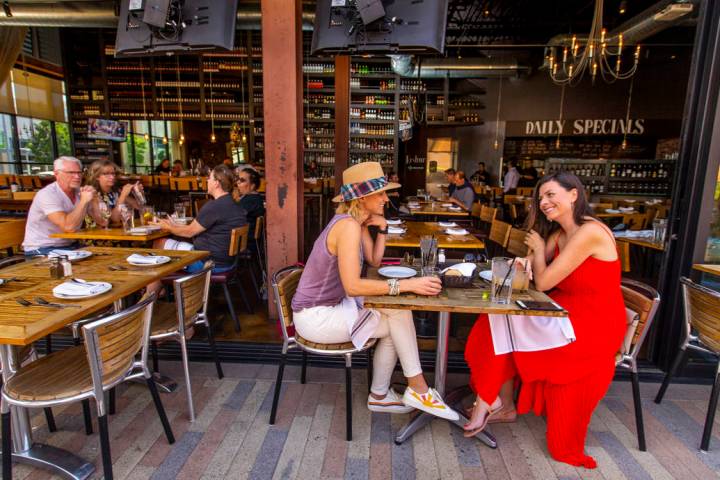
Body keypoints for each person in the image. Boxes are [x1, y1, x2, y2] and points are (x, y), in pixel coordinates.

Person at [463, 171, 625, 468]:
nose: (545, 202)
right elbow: (534, 270)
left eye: (551, 195)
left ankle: (489, 401)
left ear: (574, 194)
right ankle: (497, 402)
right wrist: (529, 257)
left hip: (593, 325)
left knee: (504, 322)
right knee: (497, 318)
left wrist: (536, 251)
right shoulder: (561, 233)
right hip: (566, 312)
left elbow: (545, 281)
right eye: (541, 198)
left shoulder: (589, 232)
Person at [292, 161, 459, 419]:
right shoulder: (346, 226)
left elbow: (374, 261)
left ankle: (396, 393)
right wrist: (409, 285)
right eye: (380, 193)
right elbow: (353, 285)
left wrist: (381, 227)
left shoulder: (353, 223)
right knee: (398, 318)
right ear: (362, 197)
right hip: (317, 317)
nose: (386, 198)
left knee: (397, 314)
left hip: (332, 307)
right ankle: (406, 391)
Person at [152, 164, 247, 274]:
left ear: (216, 183)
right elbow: (193, 228)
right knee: (164, 251)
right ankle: (162, 289)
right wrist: (173, 226)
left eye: (209, 178)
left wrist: (168, 227)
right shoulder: (234, 204)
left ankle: (153, 291)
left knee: (159, 243)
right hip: (227, 262)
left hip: (207, 262)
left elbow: (189, 232)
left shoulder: (214, 206)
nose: (207, 181)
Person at [22, 156, 99, 256]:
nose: (77, 176)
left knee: (107, 258)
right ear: (57, 174)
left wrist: (95, 200)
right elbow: (69, 227)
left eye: (79, 172)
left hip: (70, 245)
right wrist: (83, 202)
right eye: (71, 173)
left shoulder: (80, 192)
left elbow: (103, 222)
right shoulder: (47, 194)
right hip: (42, 248)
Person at [84, 159, 142, 226]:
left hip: (116, 231)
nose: (112, 177)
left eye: (113, 173)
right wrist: (123, 195)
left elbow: (139, 207)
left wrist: (138, 193)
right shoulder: (93, 194)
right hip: (97, 234)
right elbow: (115, 219)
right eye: (106, 174)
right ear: (97, 176)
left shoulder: (114, 191)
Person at [235, 167, 265, 252]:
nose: (238, 182)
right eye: (238, 179)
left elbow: (233, 217)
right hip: (248, 240)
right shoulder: (255, 198)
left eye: (242, 180)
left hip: (246, 243)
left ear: (252, 185)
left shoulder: (250, 201)